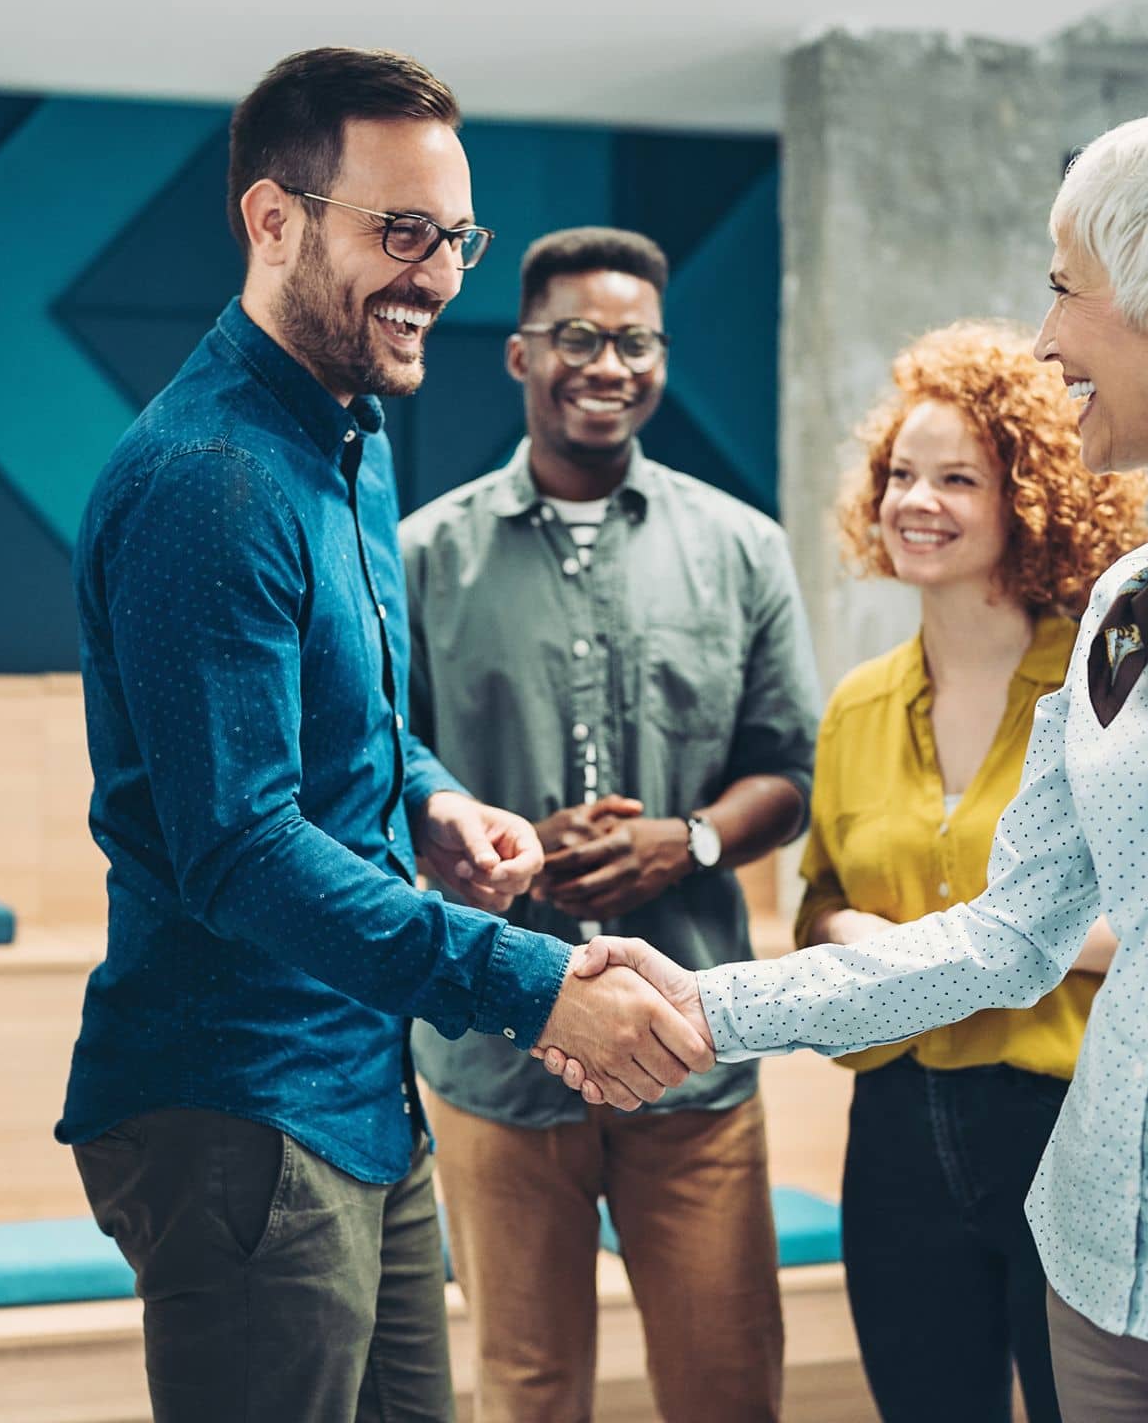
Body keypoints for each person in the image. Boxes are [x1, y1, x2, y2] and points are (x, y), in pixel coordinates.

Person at [545, 101, 1148, 1420]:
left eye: (1065, 291)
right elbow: (1010, 933)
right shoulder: (1134, 601)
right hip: (1093, 1283)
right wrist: (707, 1003)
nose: (1044, 339)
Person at [59, 48, 712, 1423]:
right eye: (399, 233)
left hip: (360, 1076)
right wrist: (531, 982)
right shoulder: (211, 480)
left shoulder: (347, 436)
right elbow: (239, 853)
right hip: (241, 1108)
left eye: (453, 236)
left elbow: (351, 733)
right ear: (274, 220)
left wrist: (428, 799)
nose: (438, 275)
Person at [402, 226, 820, 1423]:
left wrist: (679, 841)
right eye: (577, 337)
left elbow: (783, 769)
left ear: (660, 357)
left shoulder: (743, 548)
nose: (607, 363)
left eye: (634, 340)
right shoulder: (423, 556)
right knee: (527, 1392)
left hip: (691, 1044)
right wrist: (498, 840)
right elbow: (386, 764)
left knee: (725, 1380)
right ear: (521, 353)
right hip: (498, 1047)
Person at [800, 319, 1147, 1423]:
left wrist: (974, 950)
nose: (915, 500)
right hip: (896, 1127)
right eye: (900, 474)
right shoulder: (855, 703)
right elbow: (818, 901)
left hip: (1066, 1125)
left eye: (957, 477)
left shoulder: (1109, 692)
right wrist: (861, 941)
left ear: (1029, 496)